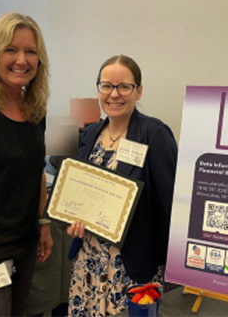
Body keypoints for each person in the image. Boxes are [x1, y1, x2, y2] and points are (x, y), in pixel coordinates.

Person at [66, 55, 177, 317]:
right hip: (89, 258)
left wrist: (167, 265)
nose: (114, 94)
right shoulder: (90, 133)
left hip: (131, 263)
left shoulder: (154, 133)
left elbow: (169, 203)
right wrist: (72, 217)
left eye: (124, 86)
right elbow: (78, 191)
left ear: (138, 90)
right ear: (99, 90)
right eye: (106, 86)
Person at [0, 13, 53, 317]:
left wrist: (43, 224)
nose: (22, 60)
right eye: (11, 49)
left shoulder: (35, 109)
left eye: (31, 51)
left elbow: (37, 171)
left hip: (25, 246)